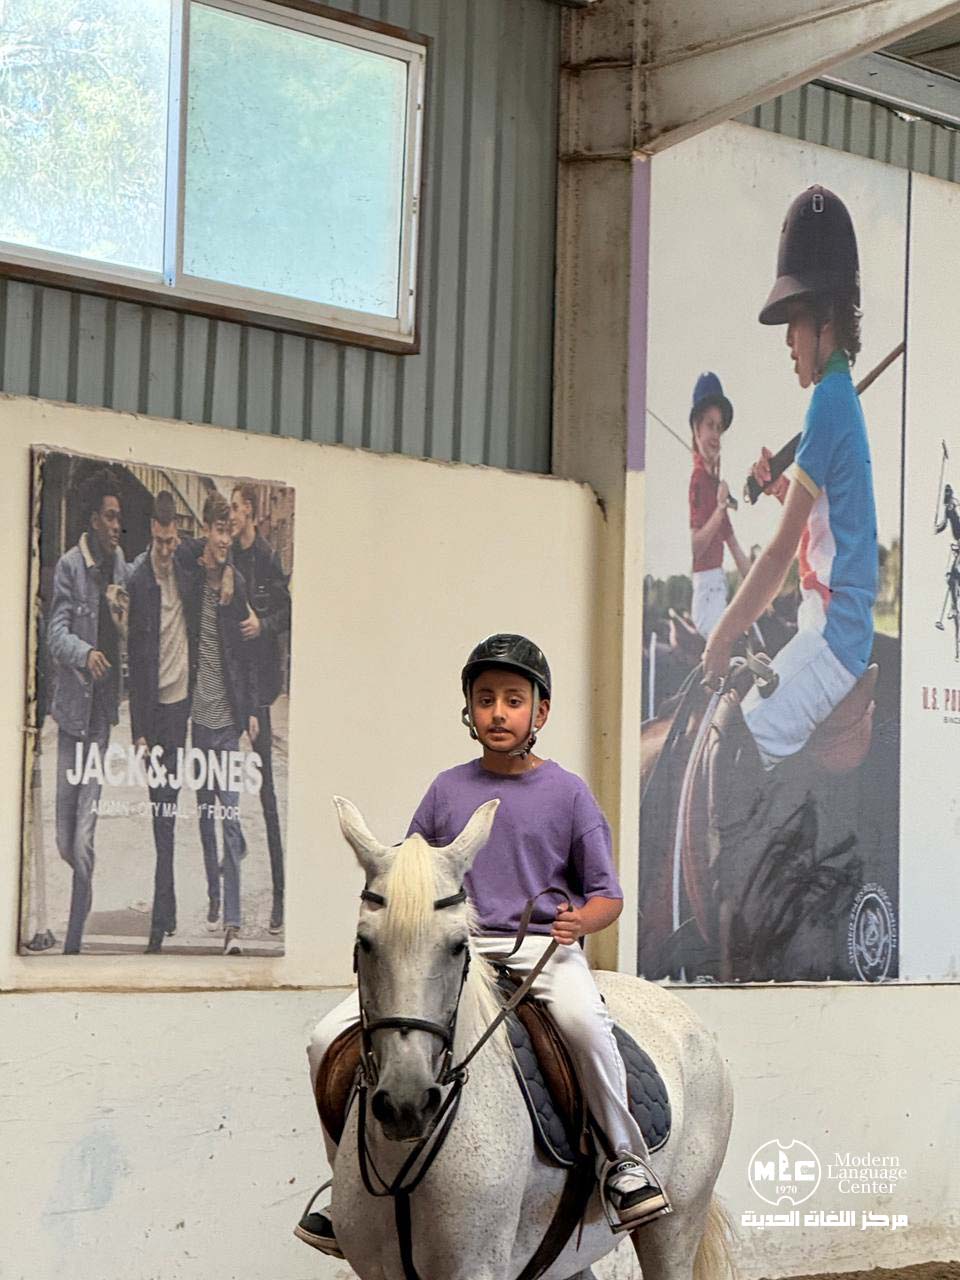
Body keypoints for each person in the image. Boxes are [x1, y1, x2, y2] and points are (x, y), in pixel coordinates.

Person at [296, 633, 671, 1258]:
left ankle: (623, 1160)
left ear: (540, 712)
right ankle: (345, 1183)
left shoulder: (569, 793)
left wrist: (581, 922)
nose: (499, 712)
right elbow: (411, 873)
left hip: (539, 951)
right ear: (469, 709)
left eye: (513, 700)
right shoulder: (445, 791)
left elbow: (608, 895)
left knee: (584, 1025)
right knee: (323, 1039)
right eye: (486, 699)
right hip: (457, 954)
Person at [703, 185, 877, 768]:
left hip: (833, 639)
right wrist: (784, 492)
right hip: (825, 628)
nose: (787, 341)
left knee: (733, 745)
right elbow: (826, 526)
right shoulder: (834, 398)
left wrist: (723, 634)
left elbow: (778, 556)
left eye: (795, 322)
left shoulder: (828, 403)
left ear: (825, 317)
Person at [47, 468, 132, 954]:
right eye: (110, 516)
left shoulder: (120, 565)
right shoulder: (69, 567)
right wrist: (86, 653)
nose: (117, 525)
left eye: (119, 517)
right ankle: (77, 922)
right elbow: (55, 634)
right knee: (64, 840)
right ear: (94, 519)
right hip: (71, 717)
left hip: (100, 721)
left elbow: (133, 609)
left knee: (83, 837)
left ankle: (74, 938)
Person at [176, 491, 259, 956]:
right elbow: (180, 549)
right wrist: (217, 565)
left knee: (228, 817)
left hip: (227, 722)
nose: (226, 539)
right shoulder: (191, 573)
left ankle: (233, 923)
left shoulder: (237, 583)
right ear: (207, 529)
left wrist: (251, 710)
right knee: (206, 817)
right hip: (197, 720)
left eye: (230, 531)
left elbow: (245, 655)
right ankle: (213, 891)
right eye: (219, 530)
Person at [128, 491, 192, 954]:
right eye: (160, 542)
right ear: (152, 532)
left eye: (171, 541)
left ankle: (163, 914)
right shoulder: (139, 579)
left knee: (171, 809)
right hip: (155, 714)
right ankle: (162, 913)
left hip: (182, 707)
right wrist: (138, 730)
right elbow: (135, 659)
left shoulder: (186, 568)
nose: (166, 550)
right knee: (161, 811)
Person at [230, 482, 291, 934]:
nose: (231, 516)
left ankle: (280, 896)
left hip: (263, 694)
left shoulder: (267, 557)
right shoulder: (228, 554)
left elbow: (287, 613)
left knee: (267, 794)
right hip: (233, 690)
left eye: (236, 508)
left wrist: (262, 624)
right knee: (222, 789)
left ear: (250, 510)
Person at [688, 372, 750, 638]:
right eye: (709, 425)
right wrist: (720, 508)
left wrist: (763, 591)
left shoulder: (714, 486)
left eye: (719, 427)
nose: (715, 434)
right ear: (696, 430)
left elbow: (734, 547)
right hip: (706, 596)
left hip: (720, 589)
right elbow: (696, 547)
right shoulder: (698, 481)